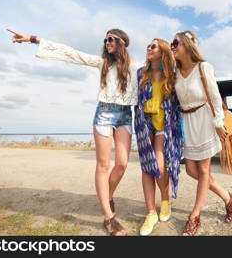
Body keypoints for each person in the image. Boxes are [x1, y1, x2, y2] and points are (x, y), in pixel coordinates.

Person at [7, 28, 139, 236]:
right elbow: (70, 53)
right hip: (104, 113)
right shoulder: (102, 63)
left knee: (122, 164)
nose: (106, 42)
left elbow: (160, 71)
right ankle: (109, 217)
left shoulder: (136, 68)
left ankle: (107, 197)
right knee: (103, 165)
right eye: (105, 39)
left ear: (122, 42)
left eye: (110, 39)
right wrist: (33, 39)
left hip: (125, 115)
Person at [172, 30, 232, 236]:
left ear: (187, 45)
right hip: (187, 122)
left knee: (203, 171)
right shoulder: (174, 72)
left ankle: (194, 216)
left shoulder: (203, 67)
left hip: (204, 119)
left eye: (175, 42)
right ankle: (228, 197)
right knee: (191, 170)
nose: (172, 46)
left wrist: (218, 121)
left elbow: (215, 96)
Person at [134, 38, 183, 236]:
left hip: (165, 125)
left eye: (153, 46)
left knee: (158, 161)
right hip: (144, 124)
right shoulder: (140, 73)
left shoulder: (172, 75)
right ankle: (151, 213)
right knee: (147, 167)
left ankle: (165, 199)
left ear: (162, 51)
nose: (148, 48)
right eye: (148, 45)